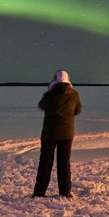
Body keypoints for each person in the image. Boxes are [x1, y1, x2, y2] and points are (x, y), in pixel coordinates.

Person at [32, 69, 82, 198]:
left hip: (49, 133)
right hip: (66, 133)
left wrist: (49, 90)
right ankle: (65, 191)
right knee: (64, 162)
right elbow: (78, 110)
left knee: (45, 162)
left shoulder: (49, 94)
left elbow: (41, 105)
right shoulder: (74, 94)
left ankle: (39, 192)